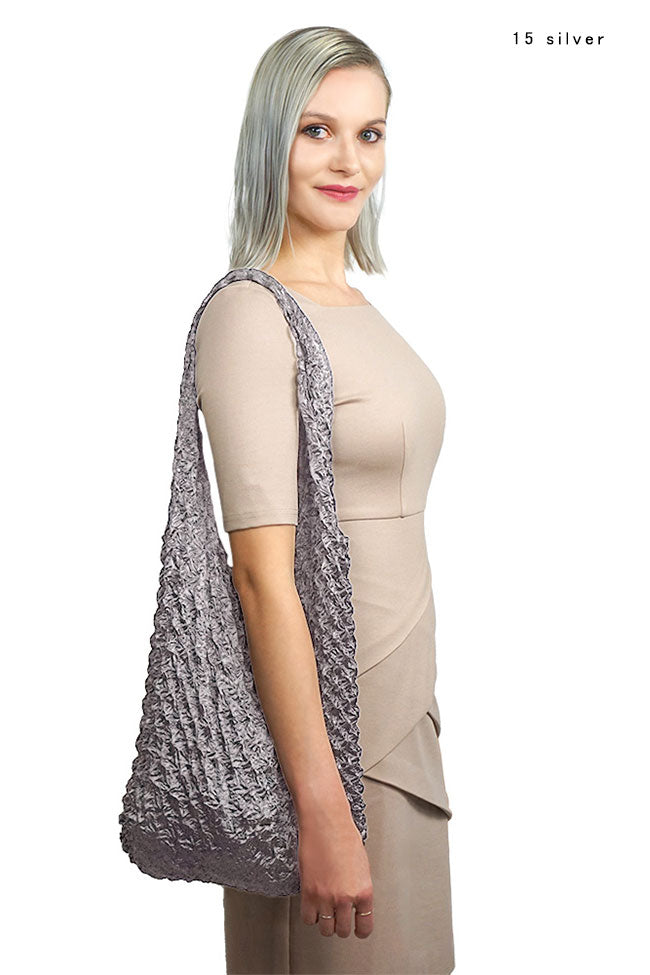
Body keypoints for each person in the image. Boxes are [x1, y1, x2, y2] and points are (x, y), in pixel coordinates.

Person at [195, 26, 455, 975]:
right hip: (327, 746)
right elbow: (261, 580)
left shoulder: (359, 308)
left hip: (402, 716)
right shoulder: (251, 313)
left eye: (370, 133)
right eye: (318, 130)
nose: (350, 160)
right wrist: (320, 809)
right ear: (272, 137)